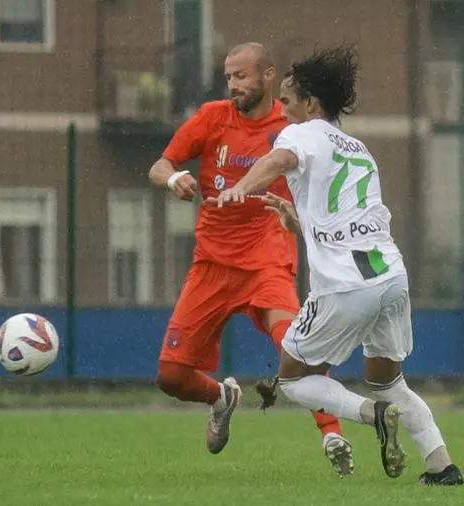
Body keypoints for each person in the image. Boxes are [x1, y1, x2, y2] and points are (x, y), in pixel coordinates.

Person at [211, 45, 464, 486]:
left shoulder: (303, 133)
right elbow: (350, 218)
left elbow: (279, 160)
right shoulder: (358, 148)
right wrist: (300, 223)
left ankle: (372, 415)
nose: (281, 110)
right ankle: (442, 467)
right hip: (389, 276)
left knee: (290, 379)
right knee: (388, 380)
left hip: (345, 285)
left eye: (287, 101)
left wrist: (240, 187)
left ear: (311, 103)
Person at [147, 42, 351, 474]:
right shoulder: (212, 116)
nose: (234, 85)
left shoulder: (291, 123)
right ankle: (222, 398)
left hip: (267, 260)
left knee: (295, 346)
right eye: (229, 77)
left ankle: (332, 434)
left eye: (241, 76)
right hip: (212, 263)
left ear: (267, 76)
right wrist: (175, 177)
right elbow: (160, 165)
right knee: (171, 377)